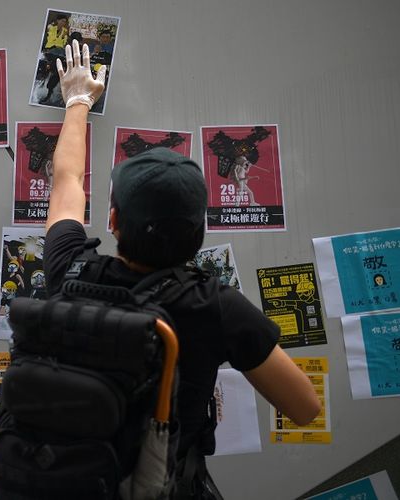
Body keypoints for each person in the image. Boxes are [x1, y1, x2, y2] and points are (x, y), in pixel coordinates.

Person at [46, 39, 321, 498]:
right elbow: (305, 407)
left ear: (113, 220)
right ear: (198, 236)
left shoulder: (70, 270)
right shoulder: (216, 307)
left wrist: (77, 100)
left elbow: (66, 181)